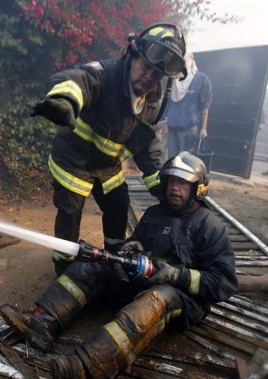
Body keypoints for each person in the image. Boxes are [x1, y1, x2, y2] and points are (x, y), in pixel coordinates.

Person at [0, 152, 237, 379]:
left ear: (198, 188)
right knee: (93, 264)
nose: (174, 188)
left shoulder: (210, 226)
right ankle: (42, 322)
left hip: (181, 298)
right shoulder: (156, 214)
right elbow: (140, 241)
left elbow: (224, 282)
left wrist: (177, 276)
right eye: (171, 181)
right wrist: (133, 246)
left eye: (183, 183)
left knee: (158, 298)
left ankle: (84, 369)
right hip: (145, 279)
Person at [30, 23, 188, 275]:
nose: (149, 77)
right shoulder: (107, 74)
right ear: (133, 55)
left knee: (118, 206)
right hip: (73, 162)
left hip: (107, 167)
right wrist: (65, 100)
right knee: (70, 214)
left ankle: (116, 258)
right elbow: (78, 81)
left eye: (157, 74)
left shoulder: (153, 100)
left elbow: (146, 143)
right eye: (146, 67)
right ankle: (64, 268)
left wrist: (162, 185)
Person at [163, 52, 212, 159]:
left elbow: (205, 106)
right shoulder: (174, 78)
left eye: (185, 57)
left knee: (185, 159)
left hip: (188, 128)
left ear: (191, 58)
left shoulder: (201, 79)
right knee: (171, 158)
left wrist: (203, 128)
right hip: (172, 126)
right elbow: (167, 102)